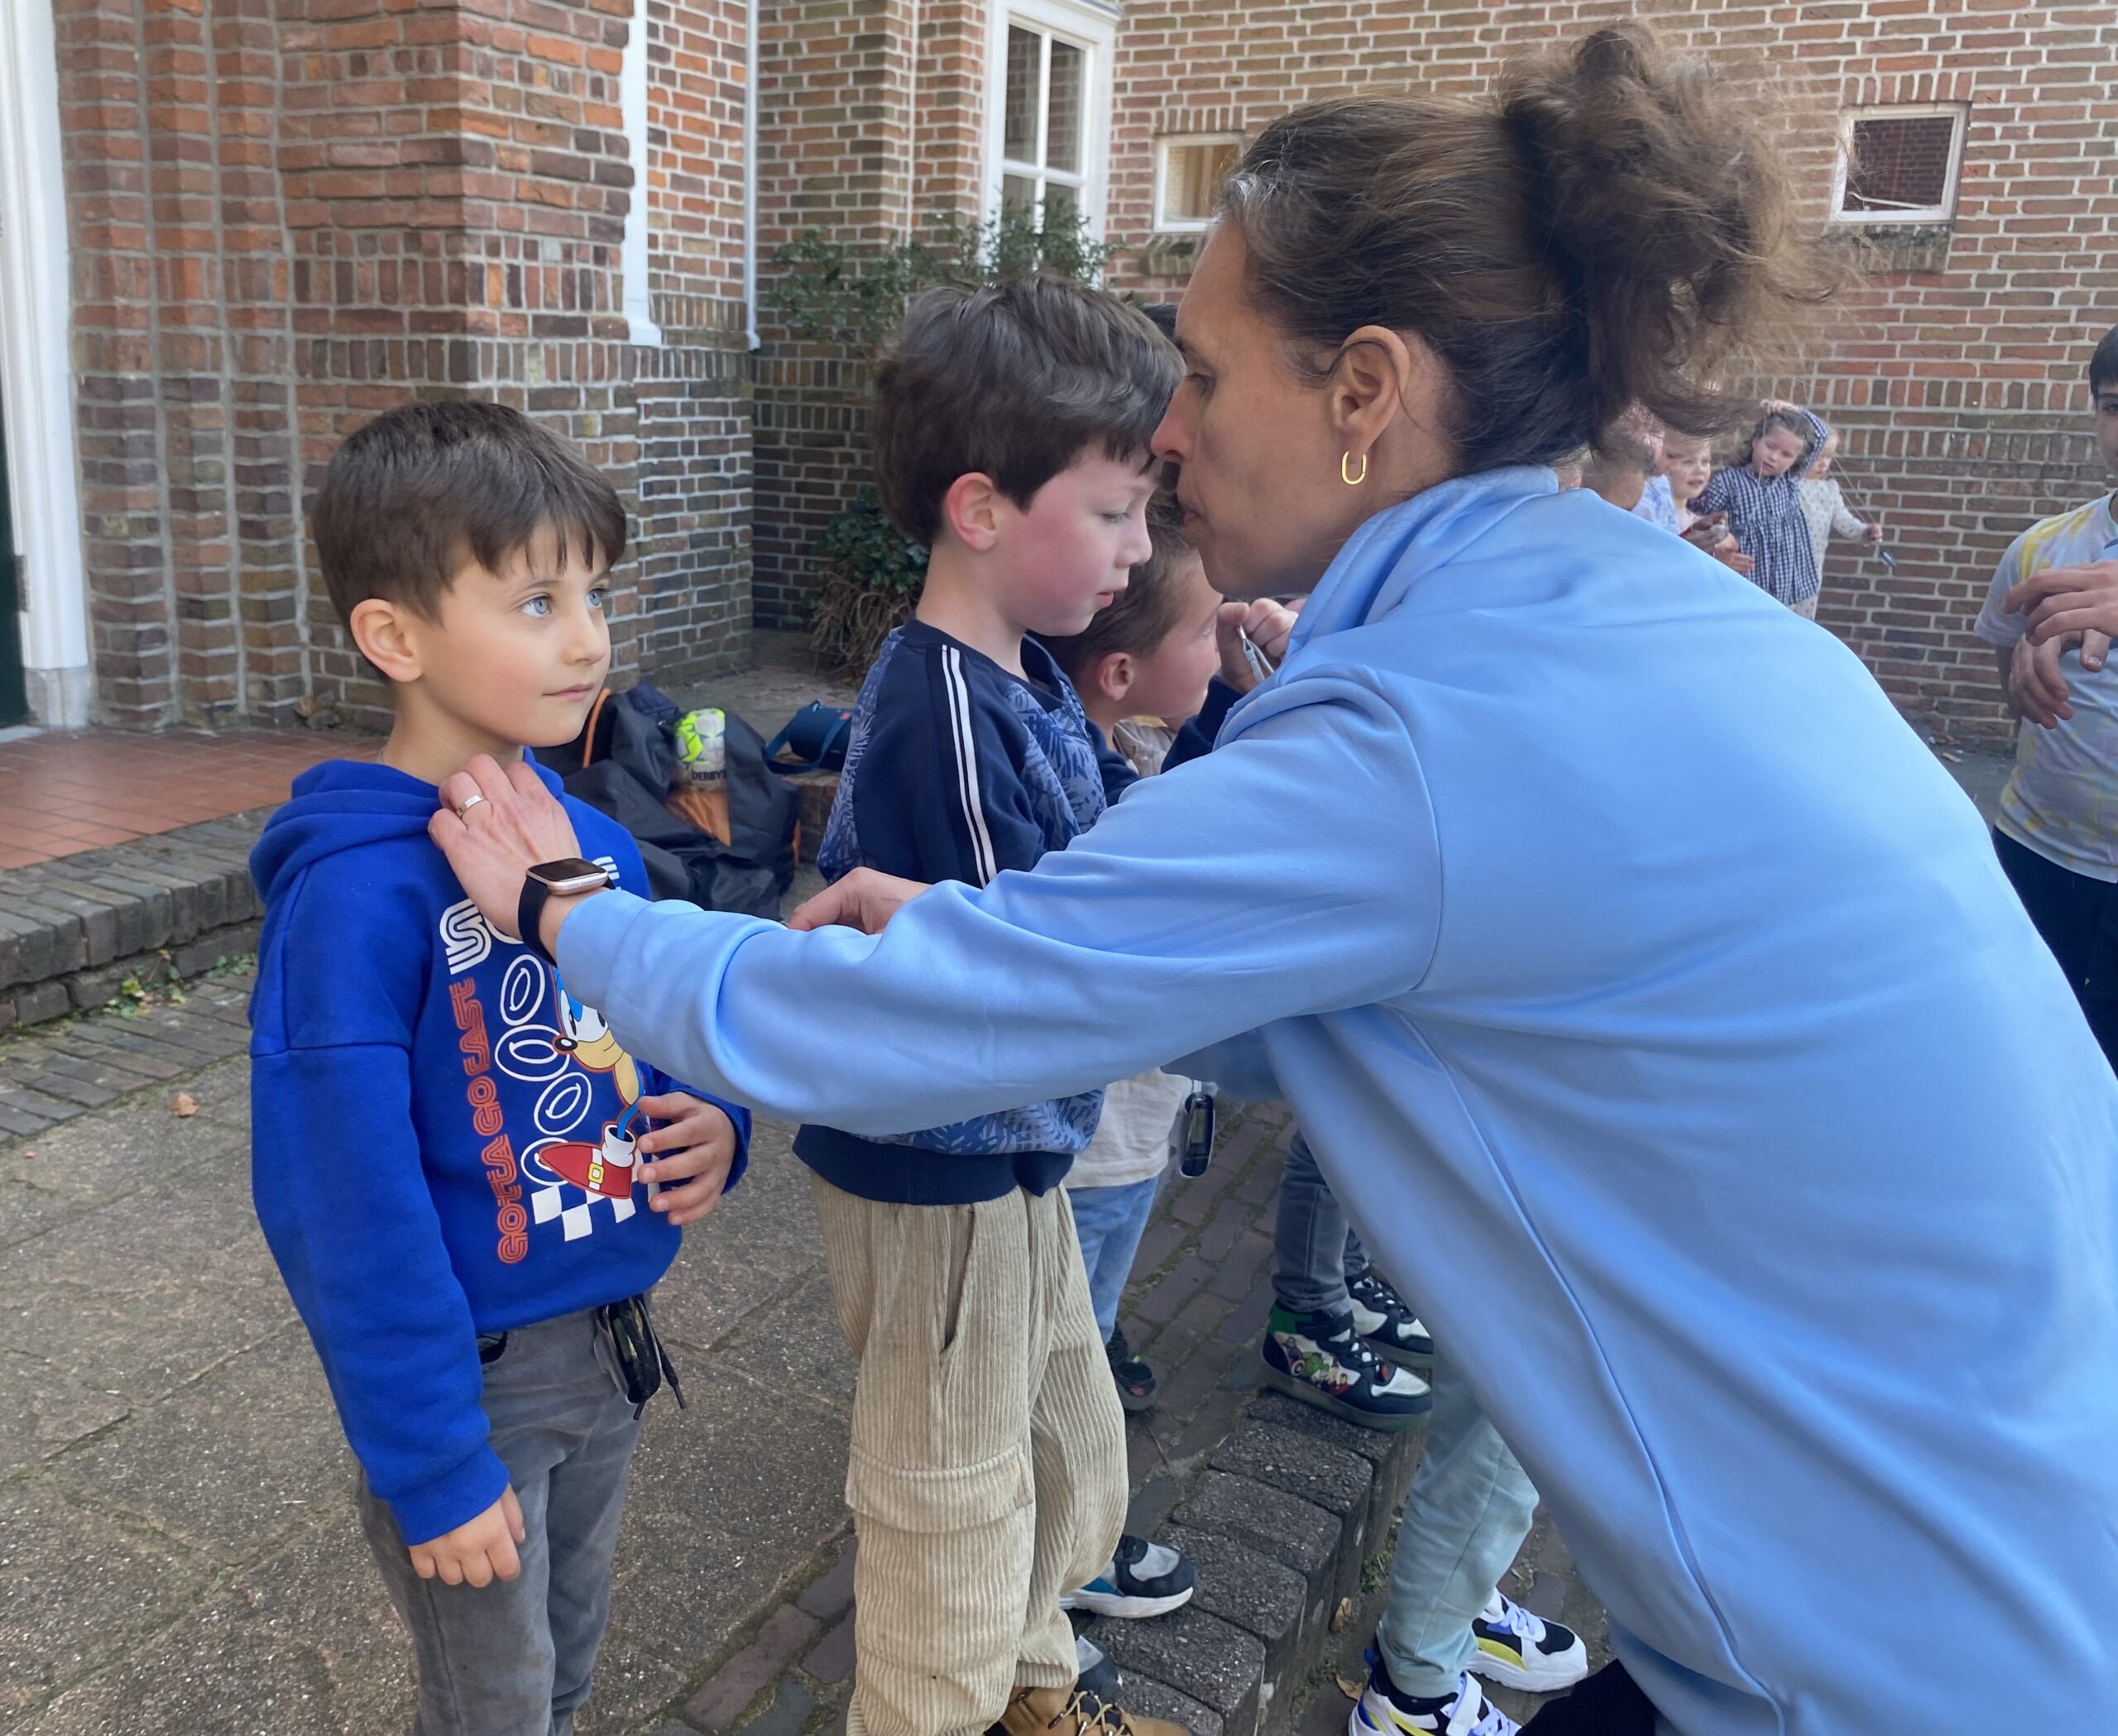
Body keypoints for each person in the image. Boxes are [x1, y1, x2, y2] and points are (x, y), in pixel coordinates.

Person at [427, 26, 2118, 1736]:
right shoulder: (1635, 621)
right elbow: (1357, 997)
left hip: (1909, 1661)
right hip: (2010, 1567)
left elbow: (902, 1026)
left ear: (1364, 391)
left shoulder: (1427, 731)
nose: (1166, 432)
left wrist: (572, 910)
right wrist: (980, 935)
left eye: (1204, 374)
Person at [247, 401, 751, 1736]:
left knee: (566, 1663)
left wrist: (716, 1118)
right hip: (470, 1383)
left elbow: (659, 1020)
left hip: (612, 1342)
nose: (588, 638)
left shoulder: (597, 844)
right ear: (395, 636)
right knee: (495, 1703)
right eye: (536, 600)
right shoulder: (351, 902)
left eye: (595, 594)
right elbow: (343, 1207)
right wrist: (430, 1458)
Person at [788, 277, 1195, 1736]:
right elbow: (1022, 972)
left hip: (1014, 1155)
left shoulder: (1019, 672)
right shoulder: (943, 708)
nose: (1140, 549)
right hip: (936, 1173)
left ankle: (1033, 1693)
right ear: (980, 508)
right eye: (1116, 511)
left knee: (1066, 1452)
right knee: (948, 1510)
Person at [1038, 498, 1223, 1415]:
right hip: (1095, 1144)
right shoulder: (1098, 790)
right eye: (1208, 634)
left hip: (1140, 1128)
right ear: (1120, 671)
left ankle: (1091, 1357)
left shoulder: (1137, 747)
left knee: (1093, 1307)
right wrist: (1232, 702)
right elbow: (1172, 846)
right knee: (1059, 1344)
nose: (1223, 652)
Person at [1972, 323, 2118, 1070]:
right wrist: (2031, 660)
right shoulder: (2042, 549)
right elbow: (2012, 686)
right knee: (2022, 1043)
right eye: (2114, 406)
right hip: (2035, 846)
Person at [1693, 400, 1833, 616]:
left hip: (1783, 577)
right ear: (1756, 441)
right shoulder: (1728, 481)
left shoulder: (1789, 480)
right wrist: (1718, 549)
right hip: (1747, 576)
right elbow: (1699, 522)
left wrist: (1793, 409)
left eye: (1786, 455)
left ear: (1796, 460)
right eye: (1770, 446)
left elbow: (1821, 434)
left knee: (1778, 619)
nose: (1774, 457)